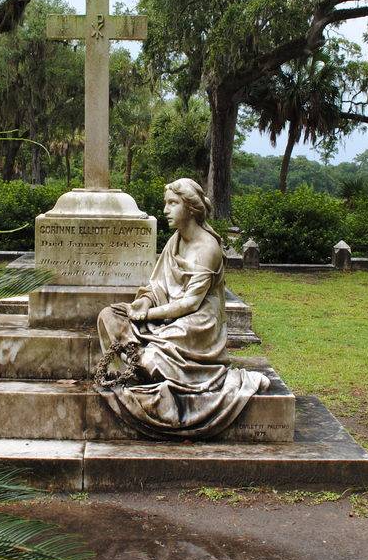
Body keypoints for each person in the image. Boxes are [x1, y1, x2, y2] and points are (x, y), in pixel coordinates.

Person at [95, 178, 269, 439]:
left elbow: (190, 302)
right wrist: (143, 302)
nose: (166, 209)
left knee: (160, 346)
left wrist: (148, 314)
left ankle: (149, 362)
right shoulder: (175, 241)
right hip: (166, 313)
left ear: (190, 207)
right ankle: (142, 362)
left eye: (172, 203)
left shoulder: (208, 247)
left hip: (198, 321)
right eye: (166, 203)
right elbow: (156, 286)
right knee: (109, 315)